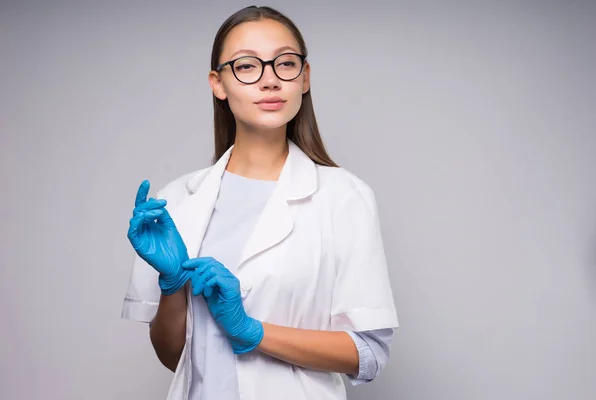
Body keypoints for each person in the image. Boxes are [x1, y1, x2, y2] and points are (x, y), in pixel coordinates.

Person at [122, 5, 398, 400]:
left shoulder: (344, 197)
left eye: (285, 63)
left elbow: (369, 354)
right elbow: (174, 357)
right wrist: (171, 286)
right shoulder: (176, 201)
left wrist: (251, 331)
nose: (270, 81)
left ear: (304, 78)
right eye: (248, 67)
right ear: (218, 83)